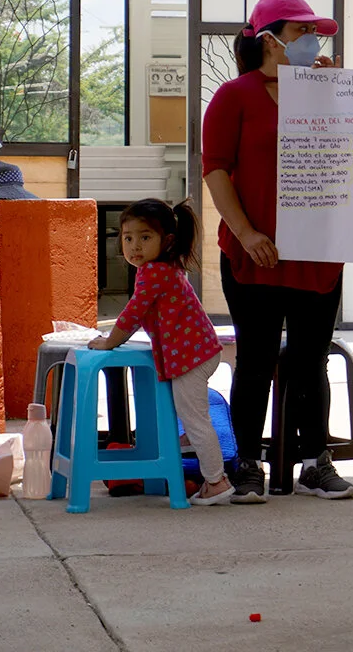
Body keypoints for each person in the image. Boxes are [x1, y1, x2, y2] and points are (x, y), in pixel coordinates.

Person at [202, 0, 353, 502]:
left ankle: (316, 461)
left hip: (318, 255)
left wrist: (336, 92)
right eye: (301, 32)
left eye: (316, 34)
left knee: (312, 359)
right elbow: (217, 171)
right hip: (255, 254)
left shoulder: (327, 91)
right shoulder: (234, 96)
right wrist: (246, 233)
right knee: (256, 358)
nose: (312, 42)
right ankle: (246, 464)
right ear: (268, 39)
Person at [88, 199, 233, 506]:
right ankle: (193, 446)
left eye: (145, 237)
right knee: (190, 416)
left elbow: (132, 315)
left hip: (192, 358)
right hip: (197, 353)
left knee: (196, 419)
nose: (134, 246)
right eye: (128, 238)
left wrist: (109, 341)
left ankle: (216, 482)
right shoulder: (161, 269)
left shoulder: (154, 273)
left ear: (166, 240)